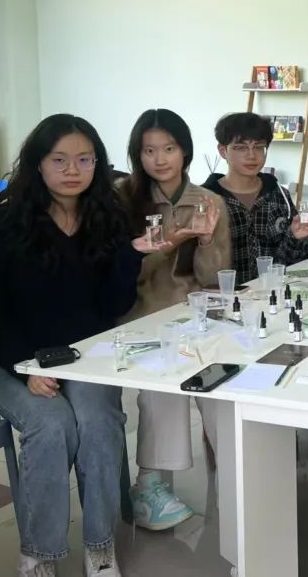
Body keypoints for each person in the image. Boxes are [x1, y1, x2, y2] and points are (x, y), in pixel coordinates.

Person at [0, 115, 155, 577]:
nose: (73, 170)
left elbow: (112, 305)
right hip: (17, 360)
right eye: (59, 160)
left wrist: (131, 256)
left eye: (84, 160)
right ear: (38, 163)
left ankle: (100, 546)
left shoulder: (106, 217)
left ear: (97, 163)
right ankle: (40, 553)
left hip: (87, 359)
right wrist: (25, 369)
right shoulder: (7, 220)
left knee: (98, 423)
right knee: (51, 426)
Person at [118, 108, 232, 531]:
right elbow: (122, 274)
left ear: (184, 151)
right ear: (138, 155)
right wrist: (165, 245)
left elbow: (215, 277)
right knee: (163, 385)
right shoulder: (122, 199)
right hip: (143, 314)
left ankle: (239, 469)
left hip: (198, 315)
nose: (159, 159)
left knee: (222, 386)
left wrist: (205, 240)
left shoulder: (208, 202)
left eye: (168, 148)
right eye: (149, 151)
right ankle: (150, 485)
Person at [203, 112, 308, 284]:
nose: (251, 155)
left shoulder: (279, 195)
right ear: (222, 150)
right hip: (225, 297)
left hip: (272, 293)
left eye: (259, 147)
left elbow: (291, 265)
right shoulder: (207, 201)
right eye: (241, 148)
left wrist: (296, 237)